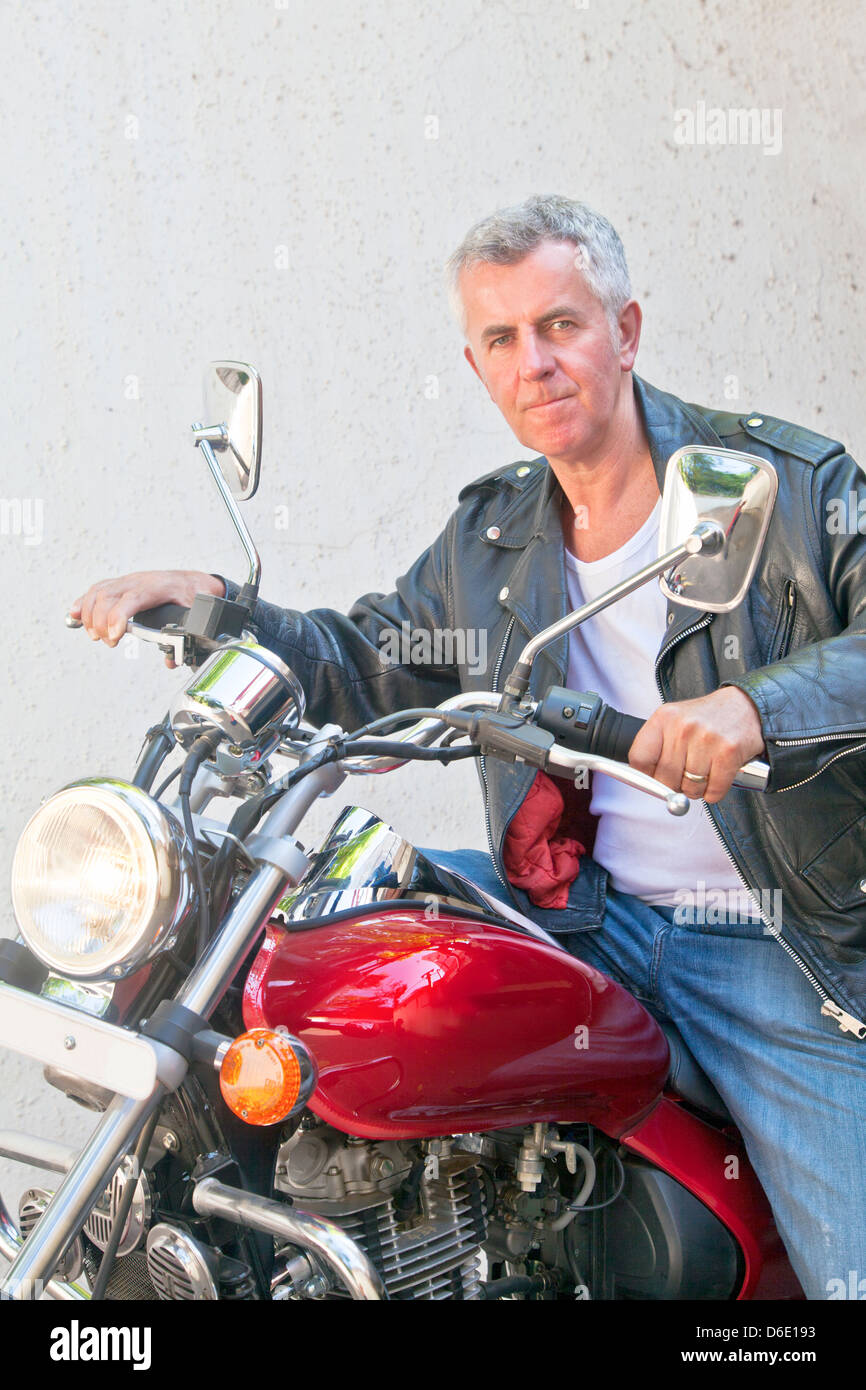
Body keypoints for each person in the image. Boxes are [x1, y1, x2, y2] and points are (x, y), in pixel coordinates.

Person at [71, 195, 866, 1299]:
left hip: (766, 930)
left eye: (560, 326)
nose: (532, 364)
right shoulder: (492, 537)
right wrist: (222, 606)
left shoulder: (779, 489)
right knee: (305, 955)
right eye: (501, 340)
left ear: (624, 331)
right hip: (578, 905)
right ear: (475, 362)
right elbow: (366, 659)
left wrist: (754, 709)